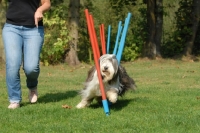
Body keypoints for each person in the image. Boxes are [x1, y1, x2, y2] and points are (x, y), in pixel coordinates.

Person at [2, 0, 51, 109]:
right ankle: (14, 99)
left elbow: (47, 3)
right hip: (12, 28)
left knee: (31, 67)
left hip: (34, 29)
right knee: (12, 64)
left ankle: (32, 86)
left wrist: (39, 10)